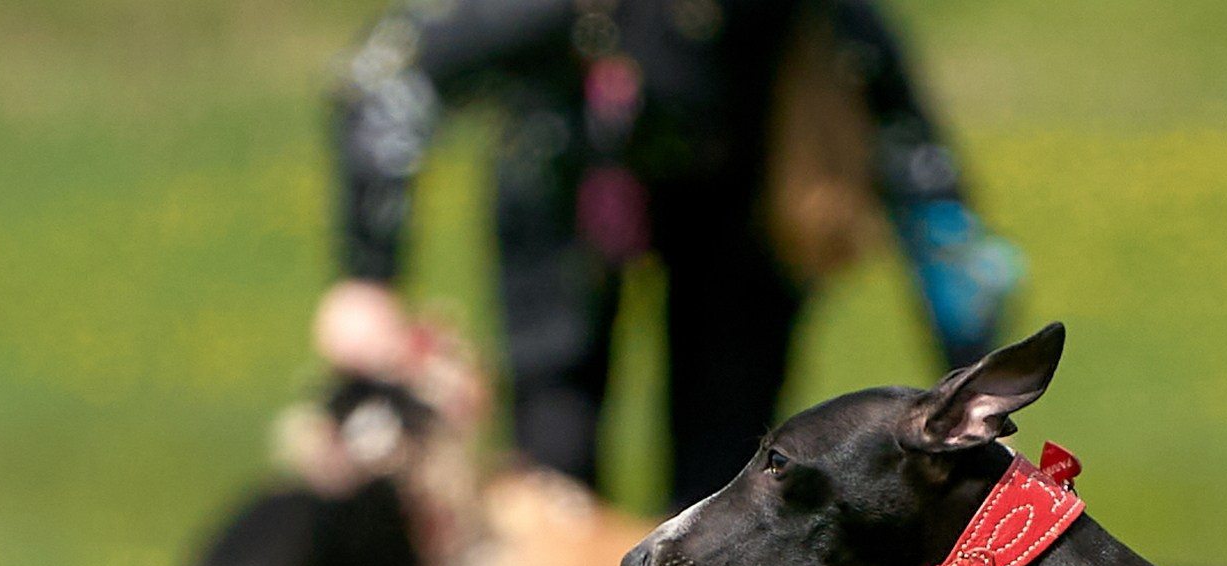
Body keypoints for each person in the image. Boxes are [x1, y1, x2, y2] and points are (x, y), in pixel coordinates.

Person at [326, 0, 1020, 510]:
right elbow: (385, 79)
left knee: (725, 500)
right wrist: (369, 280)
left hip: (738, 211)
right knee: (553, 478)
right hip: (569, 193)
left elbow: (925, 179)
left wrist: (966, 381)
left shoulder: (818, 15)